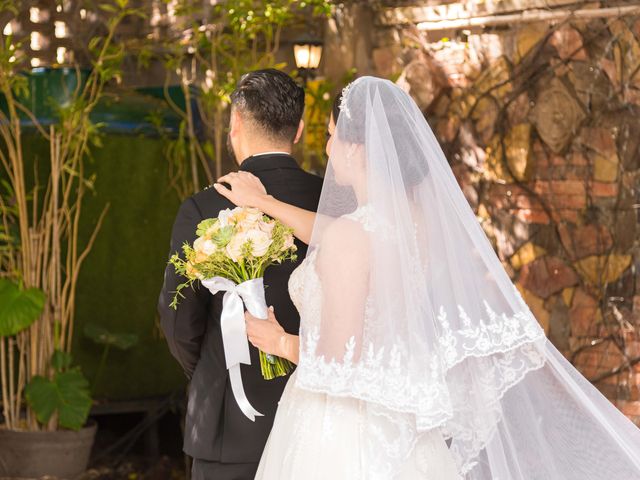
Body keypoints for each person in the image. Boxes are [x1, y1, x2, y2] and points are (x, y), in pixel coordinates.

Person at [214, 76, 640, 479]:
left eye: (331, 136)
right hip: (402, 425)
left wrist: (279, 341)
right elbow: (332, 233)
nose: (326, 148)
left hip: (340, 432)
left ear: (358, 149)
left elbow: (340, 361)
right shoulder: (413, 224)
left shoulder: (352, 235)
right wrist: (266, 203)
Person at [158, 69, 323, 480]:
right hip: (324, 422)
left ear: (235, 125)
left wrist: (214, 368)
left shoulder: (202, 207)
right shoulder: (337, 204)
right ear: (299, 130)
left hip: (229, 423)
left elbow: (178, 320)